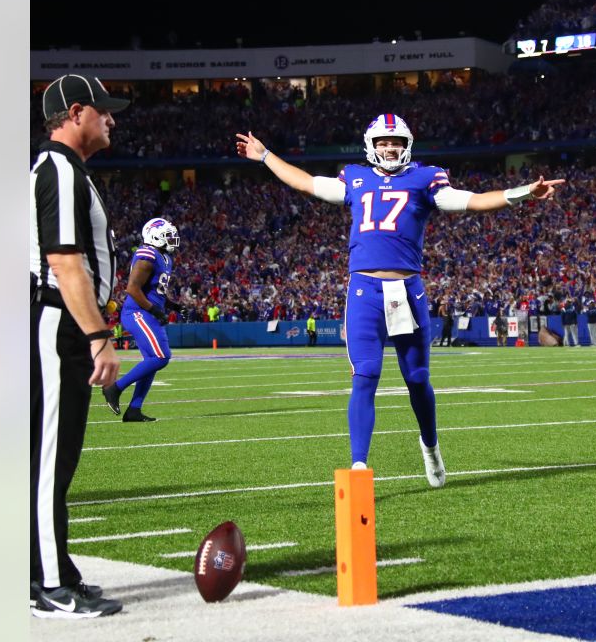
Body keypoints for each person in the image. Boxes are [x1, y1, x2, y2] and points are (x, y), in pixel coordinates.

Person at [236, 115, 563, 485]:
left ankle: (430, 447)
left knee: (418, 379)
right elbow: (308, 183)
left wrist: (521, 192)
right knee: (365, 375)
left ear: (406, 144)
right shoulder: (355, 178)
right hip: (364, 291)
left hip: (407, 290)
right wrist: (265, 156)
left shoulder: (425, 177)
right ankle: (359, 466)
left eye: (394, 141)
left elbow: (470, 201)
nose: (389, 147)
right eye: (382, 141)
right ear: (371, 145)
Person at [30, 74, 128, 618]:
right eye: (103, 111)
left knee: (57, 457)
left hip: (59, 321)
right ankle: (46, 583)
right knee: (50, 459)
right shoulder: (59, 169)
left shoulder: (68, 171)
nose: (111, 120)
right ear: (75, 112)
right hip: (57, 322)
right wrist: (98, 338)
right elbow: (64, 262)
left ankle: (55, 570)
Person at [101, 219, 182, 423]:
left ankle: (134, 409)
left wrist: (171, 305)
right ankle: (115, 388)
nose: (172, 239)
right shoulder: (147, 254)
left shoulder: (164, 257)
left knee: (152, 362)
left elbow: (155, 291)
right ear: (155, 235)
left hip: (149, 313)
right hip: (137, 312)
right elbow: (132, 289)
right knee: (161, 357)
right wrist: (155, 310)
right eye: (168, 235)